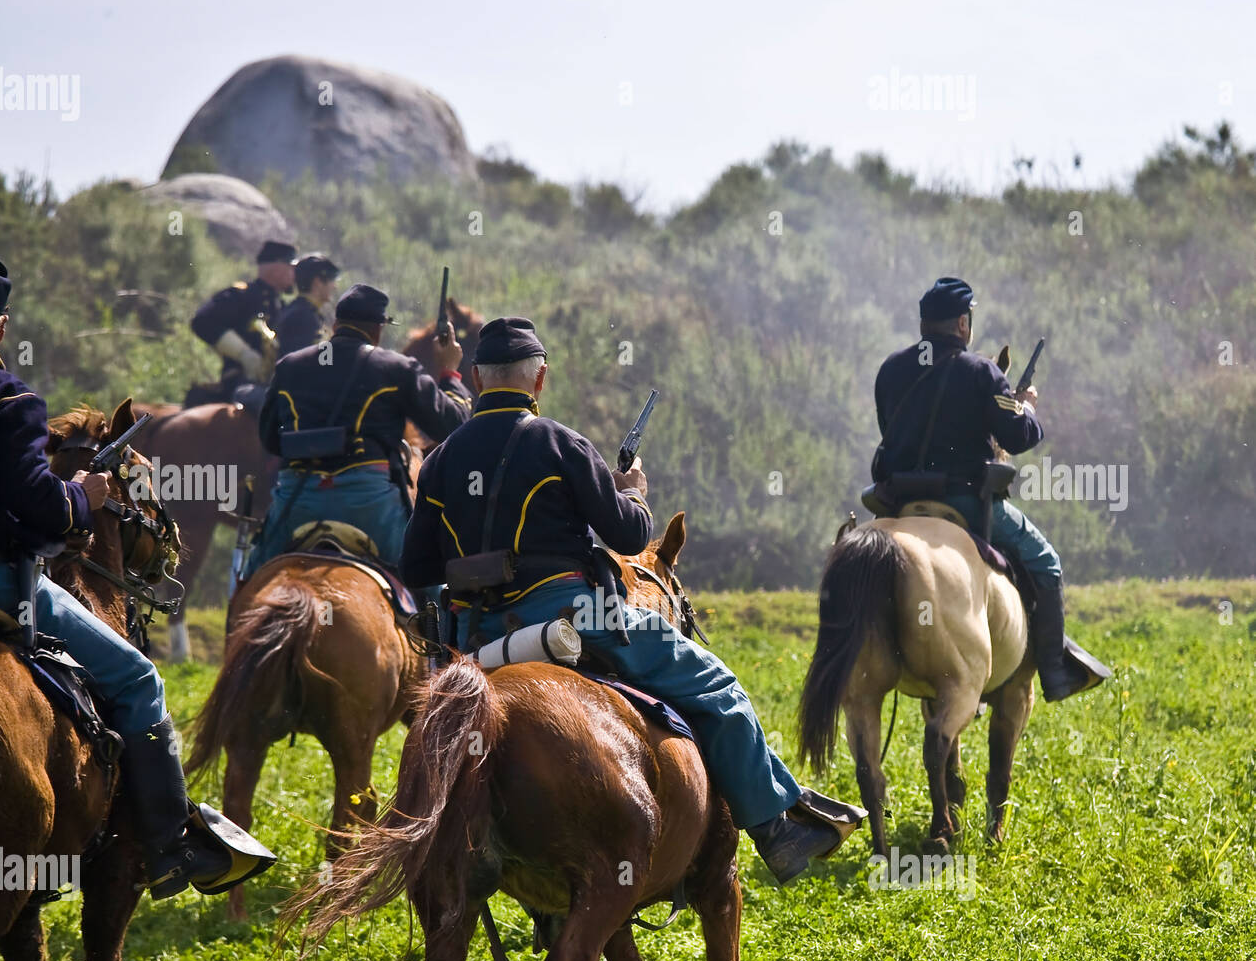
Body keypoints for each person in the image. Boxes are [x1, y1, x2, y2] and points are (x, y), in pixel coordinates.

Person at [400, 316, 857, 885]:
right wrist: (635, 494)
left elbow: (415, 566)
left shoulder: (441, 460)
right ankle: (775, 827)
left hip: (475, 638)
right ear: (539, 380)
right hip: (573, 615)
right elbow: (627, 537)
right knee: (718, 687)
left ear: (473, 377)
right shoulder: (561, 443)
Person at [0, 257, 273, 898]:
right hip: (9, 587)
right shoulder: (10, 402)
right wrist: (83, 495)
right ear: (2, 324)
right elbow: (40, 506)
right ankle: (169, 848)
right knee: (138, 678)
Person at [872, 276, 1107, 701]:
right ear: (963, 324)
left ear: (925, 324)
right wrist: (1026, 405)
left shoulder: (890, 370)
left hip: (901, 505)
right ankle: (1054, 670)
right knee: (1047, 562)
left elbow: (892, 431)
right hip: (964, 500)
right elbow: (1018, 437)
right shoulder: (982, 371)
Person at [247, 283, 471, 576]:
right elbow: (454, 426)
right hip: (370, 504)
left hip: (296, 500)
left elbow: (270, 440)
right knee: (427, 578)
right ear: (378, 330)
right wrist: (450, 372)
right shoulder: (397, 368)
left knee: (250, 579)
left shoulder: (289, 366)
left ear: (335, 325)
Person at [190, 239, 297, 418]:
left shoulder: (281, 305)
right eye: (291, 267)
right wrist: (243, 354)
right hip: (240, 383)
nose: (295, 273)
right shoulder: (244, 295)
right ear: (277, 267)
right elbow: (203, 321)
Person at [276, 253, 340, 359]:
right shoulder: (301, 317)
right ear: (318, 282)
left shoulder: (307, 312)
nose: (335, 286)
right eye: (332, 279)